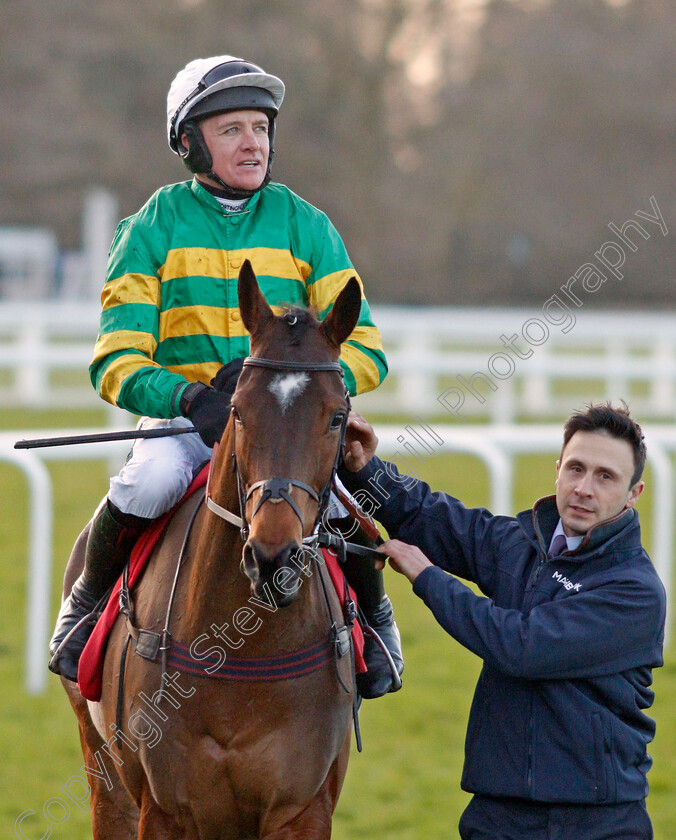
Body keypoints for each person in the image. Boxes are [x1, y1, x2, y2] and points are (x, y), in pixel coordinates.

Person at [48, 54, 403, 700]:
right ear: (190, 144)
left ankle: (374, 626)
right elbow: (115, 361)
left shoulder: (307, 226)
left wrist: (295, 387)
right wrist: (188, 396)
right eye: (232, 128)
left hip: (287, 423)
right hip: (190, 423)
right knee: (148, 481)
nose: (252, 142)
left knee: (354, 497)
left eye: (260, 128)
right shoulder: (151, 228)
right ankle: (85, 606)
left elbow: (369, 350)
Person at [340, 403, 665, 839]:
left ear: (633, 494)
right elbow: (431, 516)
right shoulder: (521, 543)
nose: (584, 488)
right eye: (576, 468)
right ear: (558, 471)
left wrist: (428, 577)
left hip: (597, 823)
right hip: (496, 816)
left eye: (605, 476)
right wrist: (365, 469)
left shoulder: (636, 591)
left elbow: (521, 647)